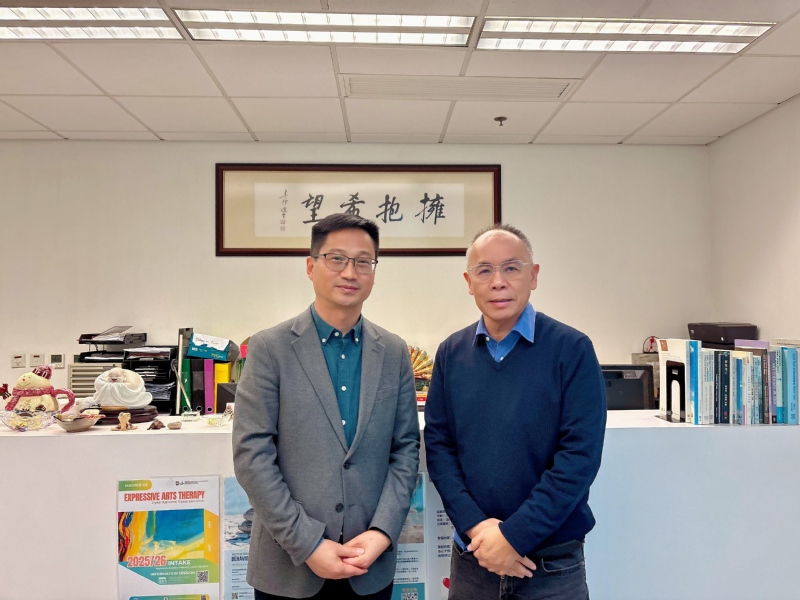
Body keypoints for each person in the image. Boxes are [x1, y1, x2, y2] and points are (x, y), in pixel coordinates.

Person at [233, 213, 420, 600]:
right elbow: (252, 456)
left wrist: (382, 532)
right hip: (289, 568)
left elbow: (405, 450)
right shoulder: (269, 348)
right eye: (336, 258)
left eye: (363, 261)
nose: (350, 272)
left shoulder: (394, 351)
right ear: (310, 266)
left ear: (374, 272)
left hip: (369, 565)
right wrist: (308, 543)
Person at [424, 224, 606, 600]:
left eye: (511, 267)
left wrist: (513, 537)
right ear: (469, 282)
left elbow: (579, 459)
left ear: (533, 276)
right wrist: (477, 528)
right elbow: (440, 447)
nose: (498, 282)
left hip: (551, 568)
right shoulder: (451, 353)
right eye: (484, 270)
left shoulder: (572, 349)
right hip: (472, 562)